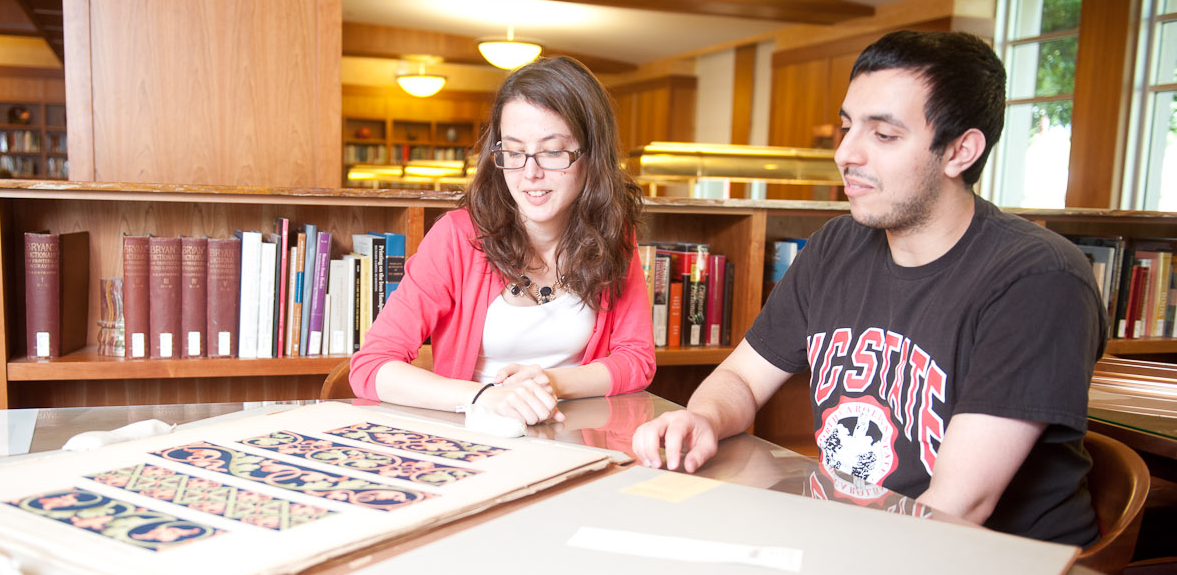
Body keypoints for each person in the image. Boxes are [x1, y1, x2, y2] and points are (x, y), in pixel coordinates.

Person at [632, 30, 1105, 546]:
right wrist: (702, 417)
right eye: (846, 126)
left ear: (960, 151)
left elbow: (956, 507)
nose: (845, 154)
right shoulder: (838, 244)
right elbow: (743, 379)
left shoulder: (1037, 280)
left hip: (983, 557)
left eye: (883, 135)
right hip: (858, 534)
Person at [350, 56, 656, 425]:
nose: (530, 173)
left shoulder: (614, 234)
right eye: (513, 152)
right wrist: (487, 397)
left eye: (553, 151)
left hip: (577, 436)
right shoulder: (457, 237)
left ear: (591, 156)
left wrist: (550, 382)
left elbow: (637, 360)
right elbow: (371, 366)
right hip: (476, 431)